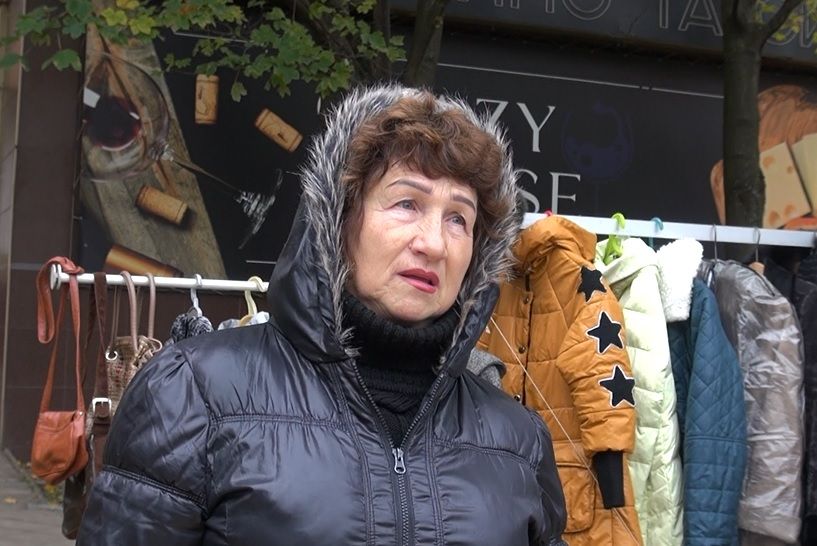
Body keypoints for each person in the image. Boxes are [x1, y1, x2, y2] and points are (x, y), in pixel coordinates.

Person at [77, 85, 567, 545]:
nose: (434, 243)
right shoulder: (194, 393)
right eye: (406, 203)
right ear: (338, 218)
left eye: (458, 218)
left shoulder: (517, 439)